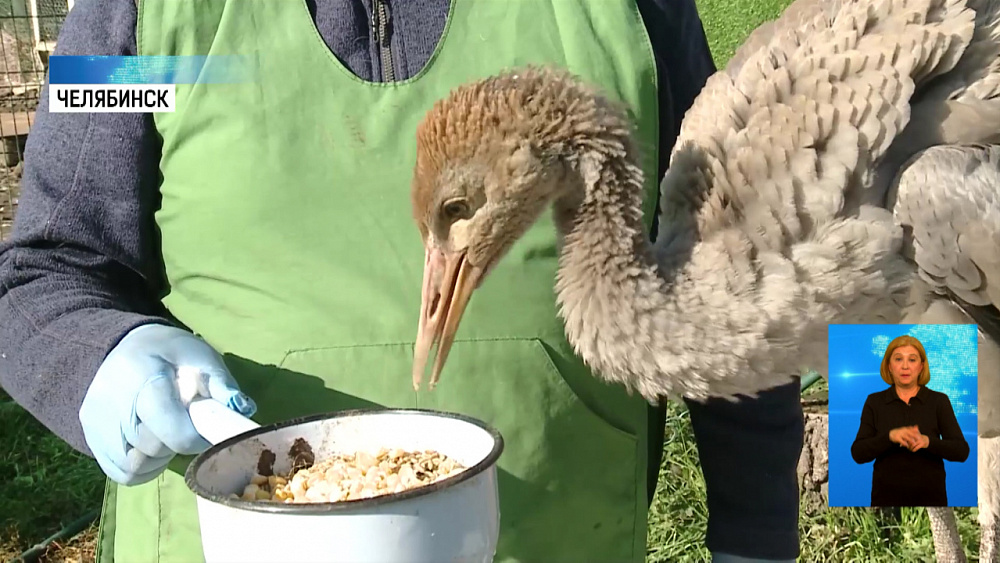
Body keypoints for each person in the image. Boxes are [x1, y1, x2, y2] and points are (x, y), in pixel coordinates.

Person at [0, 0, 804, 561]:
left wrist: (757, 536)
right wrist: (99, 357)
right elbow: (42, 269)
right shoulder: (139, 16)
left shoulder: (635, 11)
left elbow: (733, 273)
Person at [850, 335, 970, 507]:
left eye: (912, 360)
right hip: (886, 501)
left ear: (921, 366)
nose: (905, 366)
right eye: (898, 359)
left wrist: (928, 442)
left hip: (931, 499)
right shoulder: (875, 402)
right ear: (889, 366)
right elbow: (858, 453)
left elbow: (961, 451)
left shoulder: (938, 401)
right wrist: (890, 437)